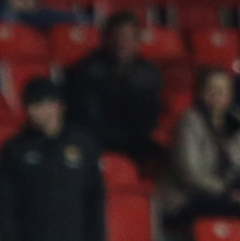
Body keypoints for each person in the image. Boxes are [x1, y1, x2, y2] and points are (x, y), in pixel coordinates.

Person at [0, 77, 105, 241]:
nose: (33, 112)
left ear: (58, 106)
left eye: (39, 104)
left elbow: (94, 200)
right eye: (30, 105)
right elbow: (4, 207)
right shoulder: (14, 149)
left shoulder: (82, 146)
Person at [160, 67, 240, 228]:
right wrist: (230, 193)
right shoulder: (189, 122)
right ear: (201, 92)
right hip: (188, 197)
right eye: (211, 89)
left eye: (223, 90)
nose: (217, 94)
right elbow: (191, 174)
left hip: (230, 193)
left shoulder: (239, 121)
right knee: (237, 209)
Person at [62, 10, 164, 170]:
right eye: (118, 36)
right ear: (106, 38)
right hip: (98, 140)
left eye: (129, 37)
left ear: (138, 40)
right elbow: (88, 117)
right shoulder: (85, 70)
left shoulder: (149, 73)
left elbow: (150, 117)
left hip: (135, 140)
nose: (123, 43)